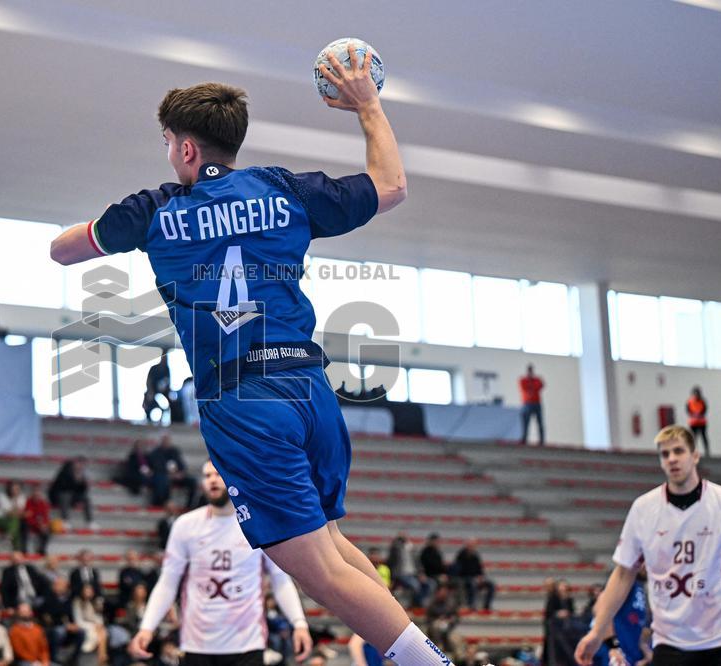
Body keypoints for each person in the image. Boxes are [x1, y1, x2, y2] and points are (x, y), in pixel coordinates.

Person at [50, 55, 442, 663]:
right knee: (332, 546)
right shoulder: (282, 190)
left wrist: (130, 217)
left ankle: (430, 662)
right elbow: (390, 186)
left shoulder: (156, 209)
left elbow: (63, 249)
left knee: (318, 575)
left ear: (183, 149)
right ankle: (421, 652)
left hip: (242, 401)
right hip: (310, 389)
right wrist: (367, 105)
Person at [128, 461, 314, 665]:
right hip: (197, 643)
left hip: (247, 644)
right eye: (207, 476)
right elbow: (168, 582)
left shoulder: (258, 524)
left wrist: (299, 623)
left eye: (218, 474)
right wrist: (147, 627)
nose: (213, 480)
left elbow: (280, 580)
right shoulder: (185, 525)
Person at [574, 425, 721, 665]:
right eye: (665, 454)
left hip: (720, 638)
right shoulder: (644, 509)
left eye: (679, 451)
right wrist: (597, 632)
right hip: (670, 641)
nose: (672, 459)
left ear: (695, 455)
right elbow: (624, 573)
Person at [40, 576, 85, 666]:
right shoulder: (48, 598)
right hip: (52, 627)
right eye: (58, 585)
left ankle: (74, 658)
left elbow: (70, 614)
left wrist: (73, 624)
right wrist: (65, 625)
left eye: (63, 585)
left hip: (66, 626)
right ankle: (54, 658)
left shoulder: (68, 599)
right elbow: (48, 617)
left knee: (81, 632)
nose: (60, 587)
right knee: (59, 632)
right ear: (54, 586)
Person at [147, 435, 197, 508]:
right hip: (163, 477)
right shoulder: (156, 453)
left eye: (167, 441)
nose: (166, 443)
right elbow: (156, 467)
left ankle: (189, 506)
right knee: (162, 480)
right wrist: (169, 474)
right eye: (164, 440)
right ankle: (161, 504)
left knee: (192, 481)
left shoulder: (174, 451)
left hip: (176, 476)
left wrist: (180, 473)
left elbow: (181, 465)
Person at [48, 456, 96, 529]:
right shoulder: (65, 471)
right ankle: (65, 520)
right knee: (66, 495)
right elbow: (62, 487)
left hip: (72, 497)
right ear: (75, 463)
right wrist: (75, 480)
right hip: (57, 497)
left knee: (86, 499)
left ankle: (90, 521)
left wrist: (83, 484)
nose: (81, 467)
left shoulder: (81, 474)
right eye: (80, 464)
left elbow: (81, 491)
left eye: (83, 465)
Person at [387, 532, 431, 608]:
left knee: (429, 584)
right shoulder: (396, 548)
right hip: (401, 574)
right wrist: (398, 539)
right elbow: (391, 559)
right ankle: (418, 605)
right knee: (415, 585)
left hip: (414, 574)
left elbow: (417, 563)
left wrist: (421, 573)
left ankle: (419, 603)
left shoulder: (411, 549)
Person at [452, 540, 495, 611]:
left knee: (491, 584)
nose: (472, 547)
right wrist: (475, 577)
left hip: (476, 578)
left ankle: (487, 605)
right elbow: (460, 570)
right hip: (465, 578)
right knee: (472, 583)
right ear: (467, 545)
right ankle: (471, 604)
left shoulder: (475, 555)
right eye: (470, 545)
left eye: (473, 546)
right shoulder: (461, 555)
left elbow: (479, 569)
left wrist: (481, 576)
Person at [9, 602, 51, 666]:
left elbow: (44, 648)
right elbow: (19, 651)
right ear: (18, 613)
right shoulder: (15, 630)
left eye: (27, 611)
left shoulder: (38, 629)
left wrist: (45, 661)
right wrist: (34, 662)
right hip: (25, 661)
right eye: (22, 612)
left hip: (40, 661)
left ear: (31, 612)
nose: (25, 614)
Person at [0, 481, 27, 551]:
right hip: (1, 520)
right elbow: (9, 513)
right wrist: (16, 508)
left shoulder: (22, 497)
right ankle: (15, 548)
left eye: (17, 489)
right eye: (14, 489)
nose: (15, 491)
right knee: (15, 522)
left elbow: (21, 513)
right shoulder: (2, 496)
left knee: (16, 525)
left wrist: (15, 499)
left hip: (13, 521)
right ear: (9, 489)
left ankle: (10, 539)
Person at [519, 364, 545, 446]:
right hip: (527, 403)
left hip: (537, 403)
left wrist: (532, 385)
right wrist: (532, 385)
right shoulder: (523, 380)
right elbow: (525, 388)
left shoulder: (537, 379)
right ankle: (524, 439)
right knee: (526, 423)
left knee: (540, 422)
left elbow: (541, 385)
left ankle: (541, 441)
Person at [22, 486, 52, 555]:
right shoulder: (28, 502)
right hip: (31, 525)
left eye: (38, 495)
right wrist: (38, 524)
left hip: (39, 525)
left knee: (48, 530)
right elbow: (27, 517)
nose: (37, 496)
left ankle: (42, 549)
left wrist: (44, 525)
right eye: (35, 495)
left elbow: (45, 517)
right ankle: (24, 549)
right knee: (24, 527)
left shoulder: (43, 504)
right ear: (32, 494)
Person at [142, 353, 171, 423]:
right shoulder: (154, 368)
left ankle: (163, 422)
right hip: (152, 391)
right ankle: (148, 421)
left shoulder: (167, 369)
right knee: (148, 406)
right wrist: (150, 392)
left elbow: (168, 382)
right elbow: (148, 381)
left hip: (162, 394)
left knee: (167, 406)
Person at [686, 387, 709, 456]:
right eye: (695, 393)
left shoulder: (703, 401)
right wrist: (694, 414)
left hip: (702, 422)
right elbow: (688, 410)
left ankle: (707, 452)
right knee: (693, 437)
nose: (696, 395)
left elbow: (704, 410)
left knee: (703, 436)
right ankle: (692, 451)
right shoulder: (690, 402)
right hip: (693, 422)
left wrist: (699, 414)